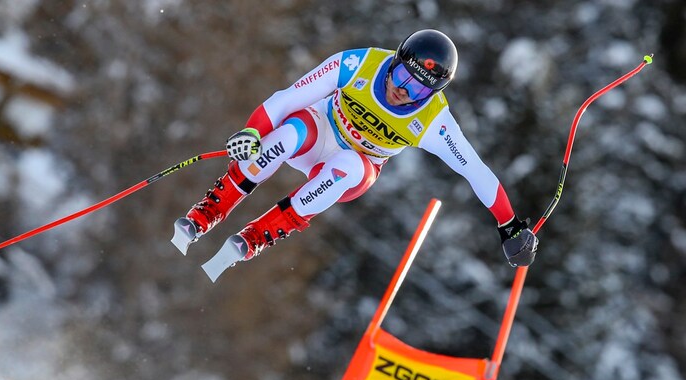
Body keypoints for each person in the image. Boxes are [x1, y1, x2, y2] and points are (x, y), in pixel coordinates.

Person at [171, 29, 539, 281]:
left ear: (432, 94)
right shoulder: (357, 64)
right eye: (402, 76)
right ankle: (207, 214)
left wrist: (508, 225)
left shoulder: (433, 121)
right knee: (284, 134)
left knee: (346, 167)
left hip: (354, 166)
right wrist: (253, 130)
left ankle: (252, 239)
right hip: (319, 131)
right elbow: (285, 99)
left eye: (417, 90)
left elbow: (476, 172)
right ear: (394, 61)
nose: (402, 90)